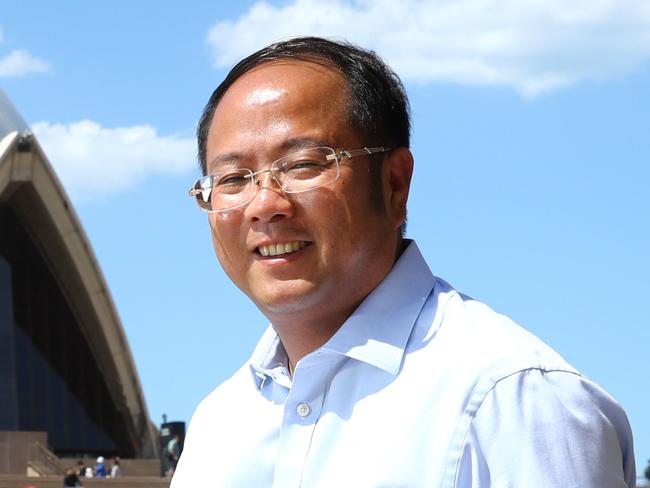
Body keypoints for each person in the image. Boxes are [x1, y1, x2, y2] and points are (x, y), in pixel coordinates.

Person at [172, 36, 636, 487]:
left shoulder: (512, 400)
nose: (264, 204)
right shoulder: (220, 423)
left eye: (303, 165)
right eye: (233, 179)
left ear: (395, 184)